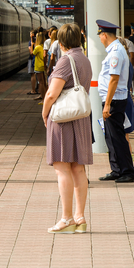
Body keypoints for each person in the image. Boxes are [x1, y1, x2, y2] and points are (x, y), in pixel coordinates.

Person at [42, 23, 93, 234]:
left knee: (62, 168)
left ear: (61, 42)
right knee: (78, 168)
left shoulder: (65, 60)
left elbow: (52, 94)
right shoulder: (85, 59)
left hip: (63, 120)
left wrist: (44, 113)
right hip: (80, 119)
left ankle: (66, 218)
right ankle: (80, 218)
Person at [97, 20, 134, 183]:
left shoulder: (115, 52)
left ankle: (128, 171)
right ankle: (117, 169)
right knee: (111, 137)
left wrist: (107, 104)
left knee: (117, 137)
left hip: (113, 100)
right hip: (112, 99)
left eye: (100, 35)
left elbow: (114, 79)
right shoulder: (116, 50)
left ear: (104, 35)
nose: (100, 38)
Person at [33, 32, 47, 103]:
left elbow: (33, 53)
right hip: (43, 66)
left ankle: (43, 98)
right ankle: (45, 97)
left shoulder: (37, 47)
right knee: (44, 83)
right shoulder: (44, 46)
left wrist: (34, 44)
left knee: (40, 83)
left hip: (38, 67)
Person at [28, 30, 38, 95]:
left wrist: (31, 44)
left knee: (33, 74)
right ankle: (38, 89)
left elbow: (31, 53)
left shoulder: (31, 42)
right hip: (37, 60)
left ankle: (33, 90)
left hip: (32, 59)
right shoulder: (39, 42)